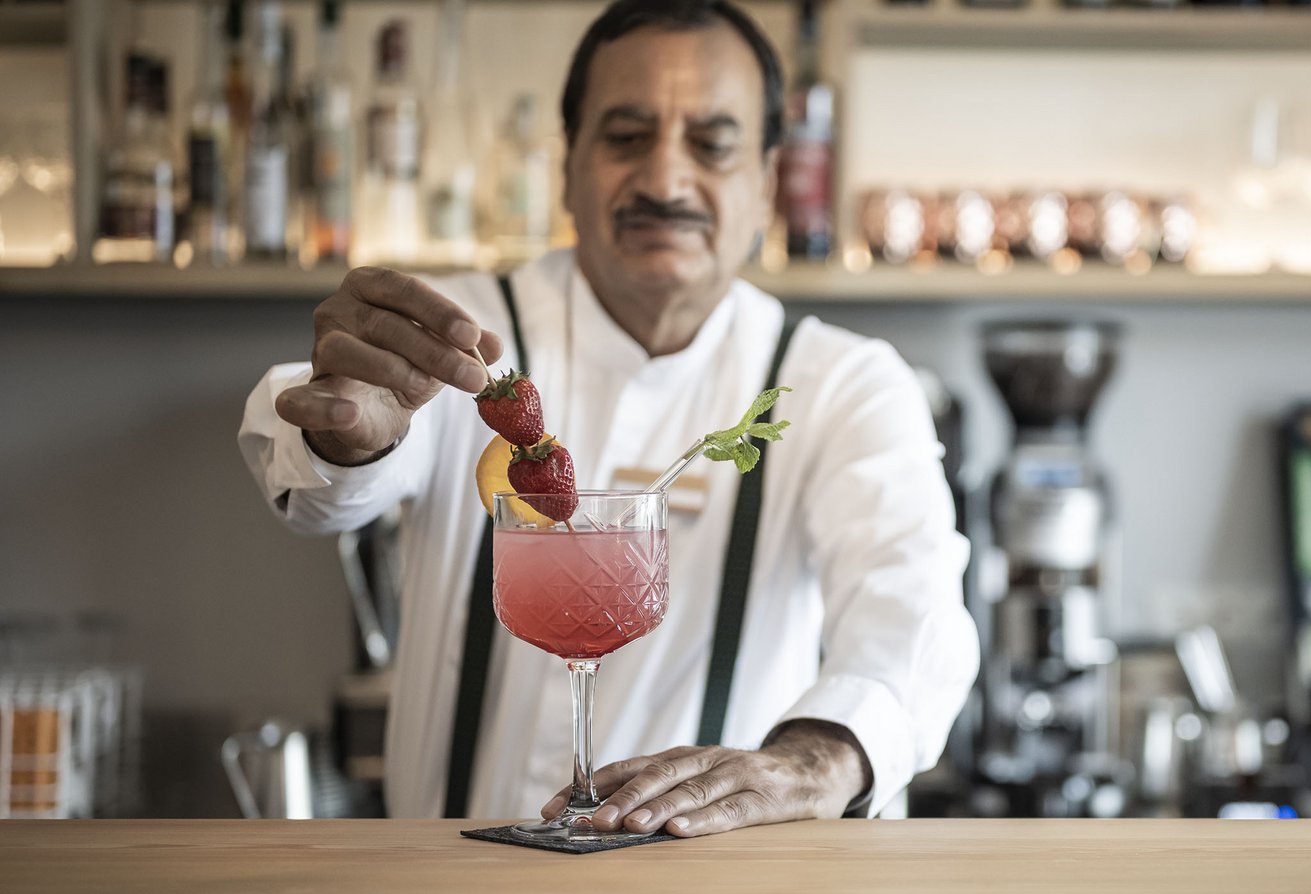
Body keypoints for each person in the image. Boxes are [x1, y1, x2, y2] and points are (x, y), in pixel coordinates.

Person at [237, 0, 976, 835]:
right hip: (450, 884)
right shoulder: (461, 334)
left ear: (767, 181)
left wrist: (817, 758)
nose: (665, 181)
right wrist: (340, 432)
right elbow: (311, 489)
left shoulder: (842, 383)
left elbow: (913, 612)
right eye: (626, 137)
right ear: (567, 168)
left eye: (713, 144)